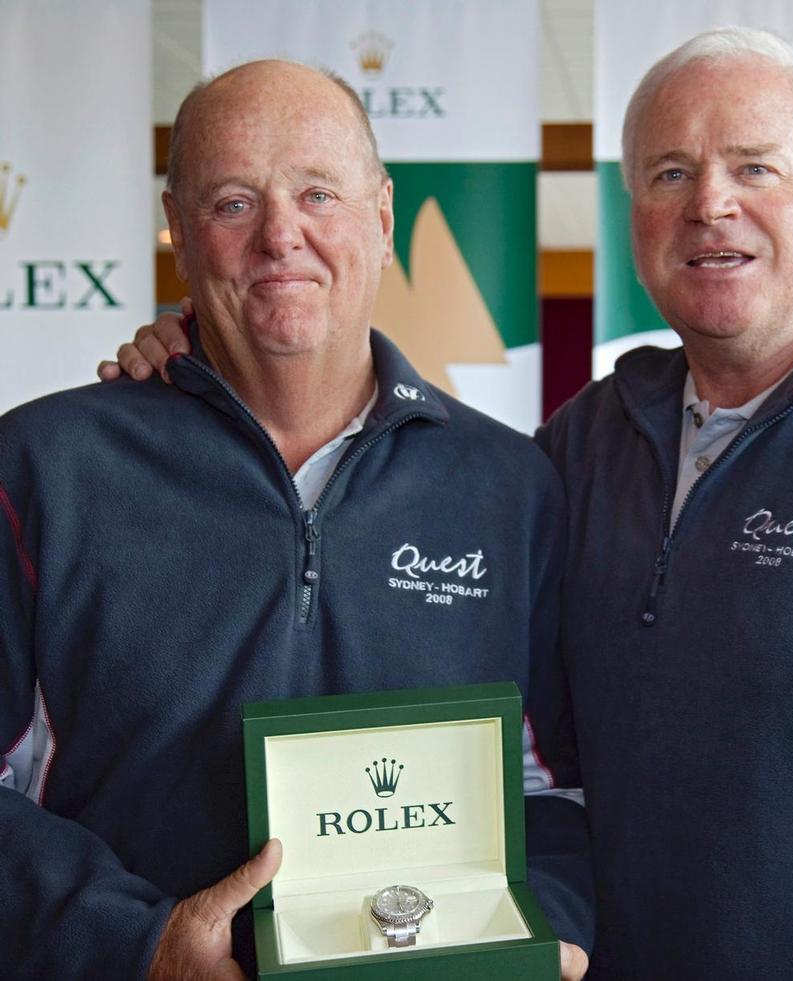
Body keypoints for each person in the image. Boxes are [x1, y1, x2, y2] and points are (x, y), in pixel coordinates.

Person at [102, 28, 793, 980]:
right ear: (636, 217)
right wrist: (198, 354)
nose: (711, 204)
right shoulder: (578, 448)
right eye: (670, 174)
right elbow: (535, 762)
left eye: (754, 167)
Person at [0, 60, 590, 980]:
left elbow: (550, 787)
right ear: (178, 233)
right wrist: (134, 942)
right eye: (234, 203)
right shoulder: (41, 468)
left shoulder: (511, 485)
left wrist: (539, 930)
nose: (283, 235)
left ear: (384, 217)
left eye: (319, 193)